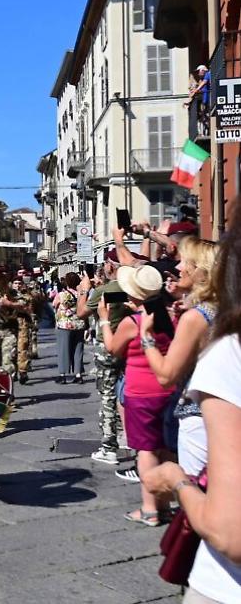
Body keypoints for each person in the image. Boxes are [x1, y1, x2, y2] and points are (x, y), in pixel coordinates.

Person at [142, 211, 241, 602]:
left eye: (183, 260)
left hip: (226, 585)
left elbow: (166, 375)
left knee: (202, 481)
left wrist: (175, 481)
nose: (174, 266)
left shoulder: (219, 337)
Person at [96, 264, 174, 526]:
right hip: (169, 388)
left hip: (141, 392)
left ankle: (150, 508)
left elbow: (112, 349)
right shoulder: (172, 315)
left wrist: (105, 319)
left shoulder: (133, 323)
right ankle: (164, 503)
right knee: (165, 448)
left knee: (146, 451)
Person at [140, 237, 218, 478]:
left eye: (186, 262)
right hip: (222, 411)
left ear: (201, 271)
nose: (179, 268)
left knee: (196, 489)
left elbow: (166, 375)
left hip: (196, 412)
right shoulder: (222, 308)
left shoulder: (196, 316)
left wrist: (146, 337)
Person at [78, 250, 133, 465]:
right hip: (129, 343)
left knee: (108, 394)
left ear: (110, 266)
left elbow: (81, 312)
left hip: (107, 344)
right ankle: (125, 435)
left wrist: (84, 290)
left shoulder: (106, 290)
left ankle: (109, 446)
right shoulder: (131, 288)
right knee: (125, 391)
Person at [53, 272, 87, 384]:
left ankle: (62, 375)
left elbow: (55, 305)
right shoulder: (81, 294)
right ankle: (78, 375)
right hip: (79, 324)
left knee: (63, 349)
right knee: (78, 350)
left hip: (64, 325)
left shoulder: (61, 295)